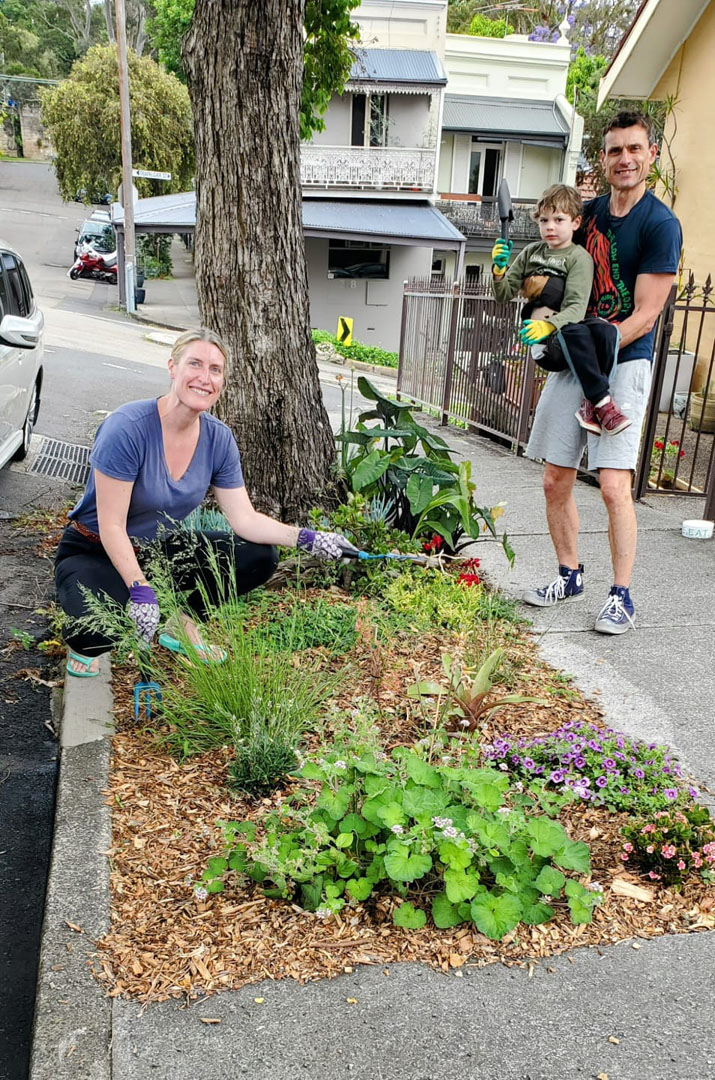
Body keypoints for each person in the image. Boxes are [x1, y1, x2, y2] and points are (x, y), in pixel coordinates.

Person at [55, 327, 356, 676]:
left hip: (158, 548)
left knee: (259, 555)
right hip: (95, 549)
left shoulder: (218, 439)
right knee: (94, 633)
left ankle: (181, 625)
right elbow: (111, 525)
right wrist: (140, 589)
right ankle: (96, 623)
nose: (205, 378)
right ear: (173, 368)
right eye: (195, 364)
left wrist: (310, 539)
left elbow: (245, 519)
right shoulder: (127, 428)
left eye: (215, 369)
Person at [519, 110, 682, 634]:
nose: (625, 159)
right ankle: (569, 574)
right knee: (553, 478)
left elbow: (646, 314)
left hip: (623, 361)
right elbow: (549, 268)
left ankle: (622, 595)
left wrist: (598, 342)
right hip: (575, 356)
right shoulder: (584, 214)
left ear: (650, 155)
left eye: (634, 149)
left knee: (613, 486)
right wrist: (533, 302)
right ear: (603, 159)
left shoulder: (659, 225)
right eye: (615, 151)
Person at [491, 184, 629, 436]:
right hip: (546, 346)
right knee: (572, 328)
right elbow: (502, 295)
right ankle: (603, 404)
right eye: (544, 220)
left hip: (563, 332)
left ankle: (592, 402)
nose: (550, 227)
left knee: (607, 331)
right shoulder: (531, 252)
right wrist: (499, 271)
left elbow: (576, 307)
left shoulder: (579, 258)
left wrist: (550, 322)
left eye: (558, 219)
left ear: (575, 223)